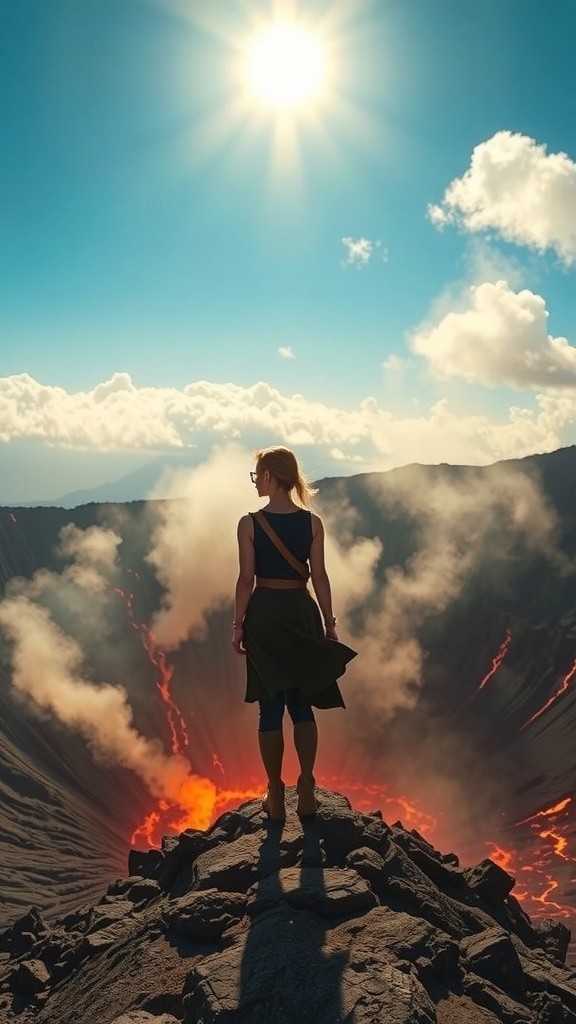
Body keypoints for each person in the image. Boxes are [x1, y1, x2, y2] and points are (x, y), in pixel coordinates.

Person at [232, 446, 357, 821]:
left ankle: (275, 795)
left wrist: (238, 625)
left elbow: (245, 580)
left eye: (257, 476)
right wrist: (330, 624)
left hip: (265, 615)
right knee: (301, 704)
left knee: (270, 707)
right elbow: (319, 576)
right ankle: (306, 788)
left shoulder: (249, 523)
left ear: (270, 476)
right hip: (302, 613)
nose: (256, 482)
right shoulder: (312, 523)